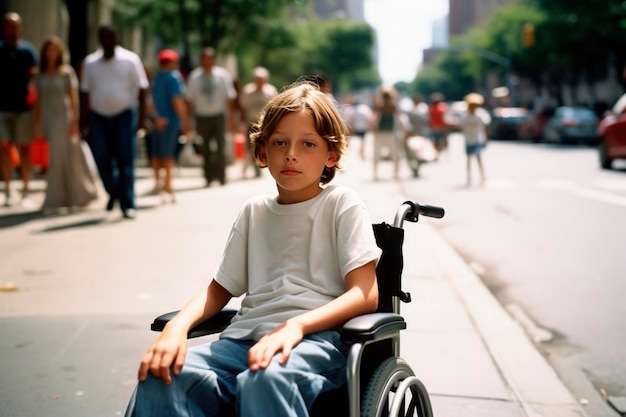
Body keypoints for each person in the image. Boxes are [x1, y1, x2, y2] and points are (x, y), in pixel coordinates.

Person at [124, 82, 381, 417]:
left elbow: (365, 293)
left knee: (263, 379)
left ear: (330, 154)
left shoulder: (340, 204)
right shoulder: (254, 211)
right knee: (164, 376)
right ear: (262, 153)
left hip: (316, 341)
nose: (291, 153)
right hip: (242, 342)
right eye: (279, 143)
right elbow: (218, 290)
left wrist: (297, 326)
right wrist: (177, 329)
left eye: (307, 144)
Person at [79, 25, 149, 219]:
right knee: (102, 158)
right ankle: (114, 191)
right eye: (104, 37)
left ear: (116, 38)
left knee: (126, 160)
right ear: (99, 40)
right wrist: (82, 121)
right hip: (98, 118)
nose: (108, 41)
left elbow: (142, 90)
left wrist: (142, 119)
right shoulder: (91, 62)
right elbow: (85, 94)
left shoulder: (130, 60)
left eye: (111, 37)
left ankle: (127, 203)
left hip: (124, 115)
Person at [33, 36, 98, 214]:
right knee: (56, 158)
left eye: (54, 49)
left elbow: (74, 100)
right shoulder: (39, 75)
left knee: (65, 157)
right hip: (48, 119)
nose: (51, 53)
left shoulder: (67, 72)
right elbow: (37, 103)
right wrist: (37, 124)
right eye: (49, 49)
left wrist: (75, 122)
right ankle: (60, 197)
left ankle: (75, 196)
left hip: (64, 119)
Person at [0, 12, 38, 207]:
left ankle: (25, 189)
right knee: (3, 147)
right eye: (8, 26)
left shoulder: (28, 51)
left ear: (20, 28)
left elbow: (35, 79)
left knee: (24, 148)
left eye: (14, 26)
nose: (11, 30)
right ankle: (7, 189)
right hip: (2, 109)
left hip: (23, 109)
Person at [186, 47, 237, 186]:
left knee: (221, 147)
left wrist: (231, 120)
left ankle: (221, 176)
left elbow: (229, 98)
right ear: (201, 60)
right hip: (201, 117)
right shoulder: (194, 77)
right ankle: (208, 177)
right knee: (205, 149)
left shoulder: (222, 75)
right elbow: (190, 100)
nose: (207, 62)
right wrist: (187, 121)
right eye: (204, 59)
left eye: (210, 59)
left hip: (218, 116)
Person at [147, 49, 191, 203]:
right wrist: (186, 122)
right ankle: (168, 185)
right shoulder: (174, 77)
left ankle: (157, 182)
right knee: (168, 153)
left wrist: (155, 119)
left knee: (156, 153)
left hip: (157, 122)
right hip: (171, 121)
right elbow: (177, 100)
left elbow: (149, 102)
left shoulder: (156, 79)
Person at [239, 66, 277, 178]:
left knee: (263, 145)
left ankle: (260, 166)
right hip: (250, 122)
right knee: (250, 146)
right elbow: (242, 108)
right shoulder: (247, 91)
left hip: (265, 123)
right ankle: (251, 167)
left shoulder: (271, 91)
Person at [371, 86, 403, 181]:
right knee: (391, 154)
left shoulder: (389, 105)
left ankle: (394, 173)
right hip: (385, 132)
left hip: (387, 132)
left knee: (393, 154)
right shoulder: (384, 105)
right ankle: (383, 173)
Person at [460, 93, 491, 186]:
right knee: (469, 159)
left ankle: (482, 176)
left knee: (478, 158)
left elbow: (484, 127)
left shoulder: (480, 115)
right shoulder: (465, 116)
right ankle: (469, 177)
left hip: (477, 139)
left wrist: (486, 138)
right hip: (468, 139)